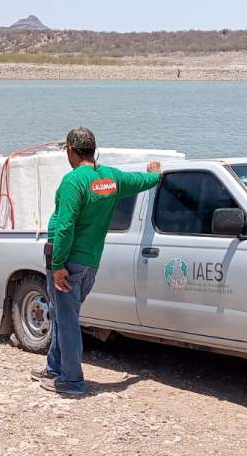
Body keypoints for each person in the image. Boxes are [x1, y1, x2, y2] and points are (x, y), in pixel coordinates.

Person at [32, 127, 162, 396]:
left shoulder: (73, 181)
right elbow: (141, 181)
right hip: (90, 262)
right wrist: (154, 173)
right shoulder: (111, 178)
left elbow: (66, 227)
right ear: (93, 150)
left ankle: (72, 381)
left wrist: (57, 266)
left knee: (67, 321)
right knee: (61, 315)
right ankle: (55, 368)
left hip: (67, 261)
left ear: (71, 150)